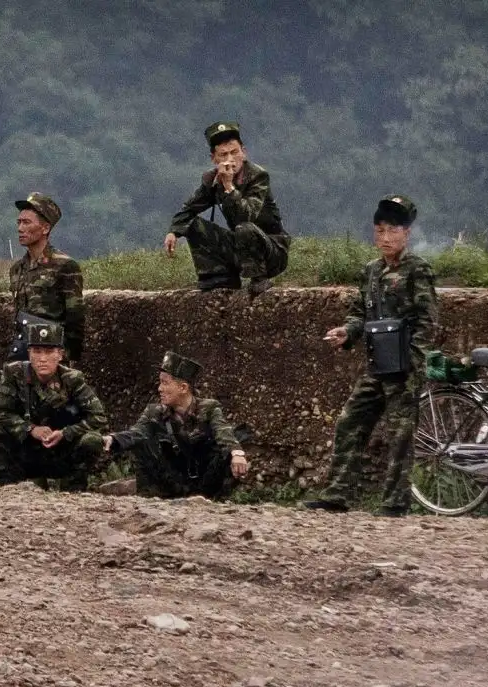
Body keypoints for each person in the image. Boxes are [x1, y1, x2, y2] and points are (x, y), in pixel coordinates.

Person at [306, 195, 437, 517]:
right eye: (379, 231)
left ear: (406, 232)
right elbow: (359, 314)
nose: (385, 238)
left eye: (392, 230)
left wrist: (414, 366)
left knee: (400, 435)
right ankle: (337, 494)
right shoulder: (371, 272)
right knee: (350, 422)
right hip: (378, 365)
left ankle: (395, 503)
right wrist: (347, 332)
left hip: (404, 367)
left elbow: (427, 321)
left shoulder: (417, 270)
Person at [164, 121, 290, 296]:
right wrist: (174, 232)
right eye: (223, 155)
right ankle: (218, 276)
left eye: (234, 152)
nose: (230, 159)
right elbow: (190, 207)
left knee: (244, 228)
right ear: (214, 159)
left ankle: (258, 279)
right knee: (192, 225)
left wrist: (229, 187)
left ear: (243, 153)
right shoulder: (212, 180)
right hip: (241, 245)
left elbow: (247, 215)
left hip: (271, 250)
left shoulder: (257, 176)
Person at [104, 351, 249, 499]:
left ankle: (218, 500)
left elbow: (223, 431)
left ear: (183, 388)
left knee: (233, 443)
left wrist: (237, 453)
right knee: (142, 441)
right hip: (171, 482)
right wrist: (114, 439)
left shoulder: (209, 408)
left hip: (205, 483)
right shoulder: (154, 412)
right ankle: (148, 497)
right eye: (160, 382)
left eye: (165, 383)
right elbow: (137, 432)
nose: (159, 388)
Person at [0, 321, 107, 492]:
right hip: (26, 451)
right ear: (29, 354)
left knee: (92, 440)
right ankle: (10, 488)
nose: (42, 358)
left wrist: (66, 433)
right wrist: (30, 429)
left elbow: (98, 417)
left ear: (60, 355)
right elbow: (0, 412)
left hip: (60, 451)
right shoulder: (14, 374)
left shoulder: (72, 379)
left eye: (49, 352)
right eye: (37, 351)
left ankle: (73, 489)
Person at [8, 193, 84, 364]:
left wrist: (70, 359)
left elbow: (75, 319)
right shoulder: (17, 269)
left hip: (52, 355)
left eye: (27, 222)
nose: (20, 228)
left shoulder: (64, 266)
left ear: (45, 228)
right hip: (23, 353)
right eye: (19, 222)